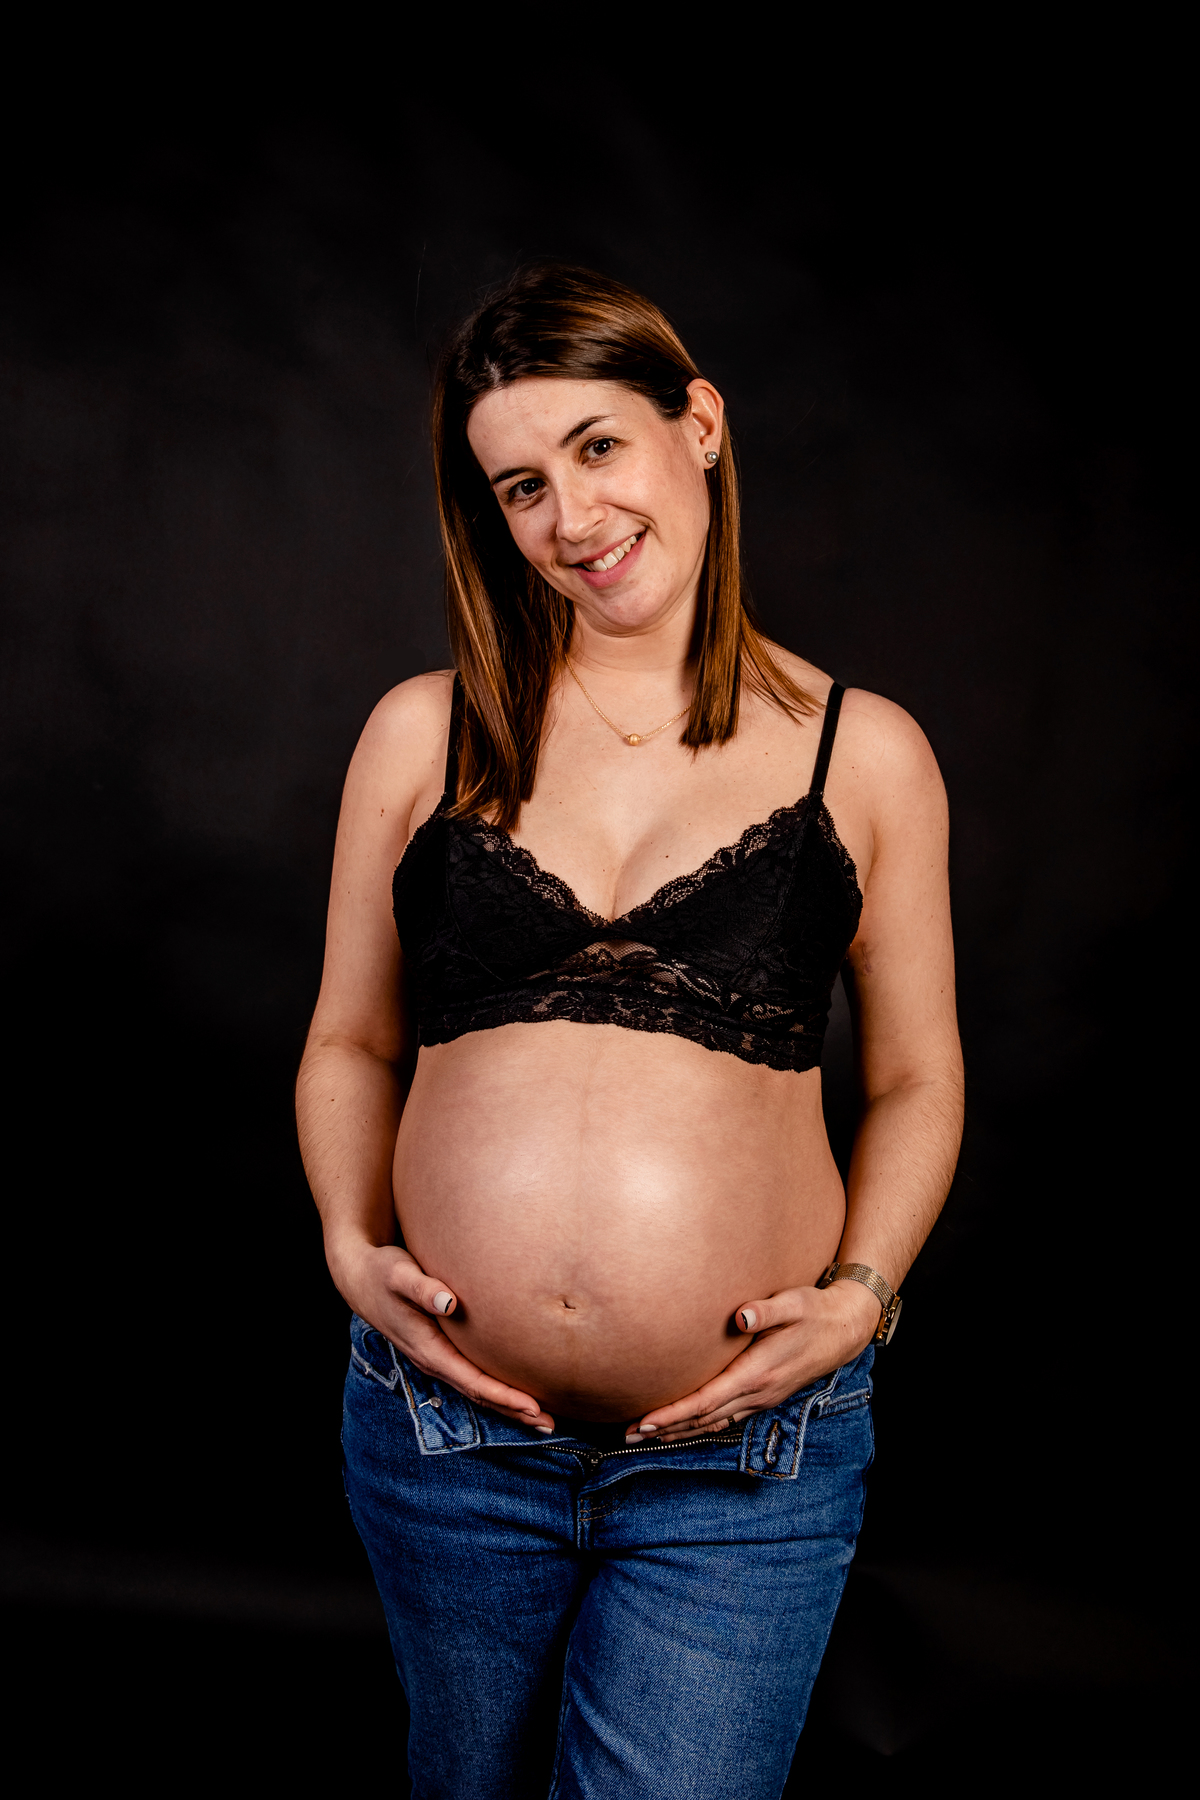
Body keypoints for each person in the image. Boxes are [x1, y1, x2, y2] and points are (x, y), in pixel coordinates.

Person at [295, 264, 963, 1799]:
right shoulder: (421, 732)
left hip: (744, 1462)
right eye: (521, 485)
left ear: (698, 424)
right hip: (444, 1437)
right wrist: (345, 1243)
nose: (571, 516)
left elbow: (920, 1076)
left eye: (597, 446)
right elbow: (349, 1042)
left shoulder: (864, 755)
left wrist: (863, 1297)